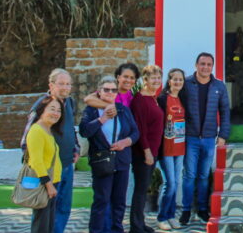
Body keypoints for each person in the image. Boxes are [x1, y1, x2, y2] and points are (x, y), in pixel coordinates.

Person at [20, 69, 80, 233]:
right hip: (49, 170)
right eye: (61, 84)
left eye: (68, 84)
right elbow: (26, 142)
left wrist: (76, 147)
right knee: (44, 212)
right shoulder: (42, 106)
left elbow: (70, 128)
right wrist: (42, 173)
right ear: (51, 85)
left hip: (66, 165)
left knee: (63, 208)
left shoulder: (69, 103)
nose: (65, 88)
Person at [80, 76, 139, 233]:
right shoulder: (92, 110)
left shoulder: (122, 109)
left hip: (121, 161)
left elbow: (135, 132)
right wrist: (103, 118)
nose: (110, 92)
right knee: (102, 200)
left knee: (119, 201)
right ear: (99, 91)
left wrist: (125, 142)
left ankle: (116, 229)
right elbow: (85, 131)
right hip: (102, 161)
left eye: (113, 90)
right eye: (106, 89)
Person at [178, 52, 231, 226]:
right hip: (190, 137)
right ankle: (186, 210)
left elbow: (225, 112)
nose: (205, 67)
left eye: (209, 64)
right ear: (196, 65)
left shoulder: (219, 86)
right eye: (202, 64)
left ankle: (202, 209)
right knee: (189, 175)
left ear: (212, 67)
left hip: (209, 138)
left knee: (203, 176)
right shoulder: (185, 84)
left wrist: (223, 135)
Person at [129, 65, 165, 233]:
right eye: (153, 78)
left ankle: (140, 223)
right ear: (145, 79)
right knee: (140, 190)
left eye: (158, 78)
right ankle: (136, 226)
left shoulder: (153, 97)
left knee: (143, 190)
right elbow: (140, 129)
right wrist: (147, 152)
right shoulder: (140, 100)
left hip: (153, 151)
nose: (156, 81)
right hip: (144, 153)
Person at [26, 95, 64, 233]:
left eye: (59, 110)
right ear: (42, 110)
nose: (56, 113)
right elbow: (37, 161)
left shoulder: (48, 130)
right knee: (41, 225)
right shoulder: (36, 130)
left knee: (48, 224)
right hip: (44, 184)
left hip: (53, 182)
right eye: (52, 109)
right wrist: (48, 185)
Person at [156, 69, 187, 230]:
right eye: (175, 79)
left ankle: (170, 215)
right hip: (166, 148)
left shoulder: (182, 98)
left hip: (180, 147)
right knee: (170, 183)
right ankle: (162, 217)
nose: (178, 82)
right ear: (169, 81)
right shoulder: (162, 99)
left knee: (177, 182)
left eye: (180, 80)